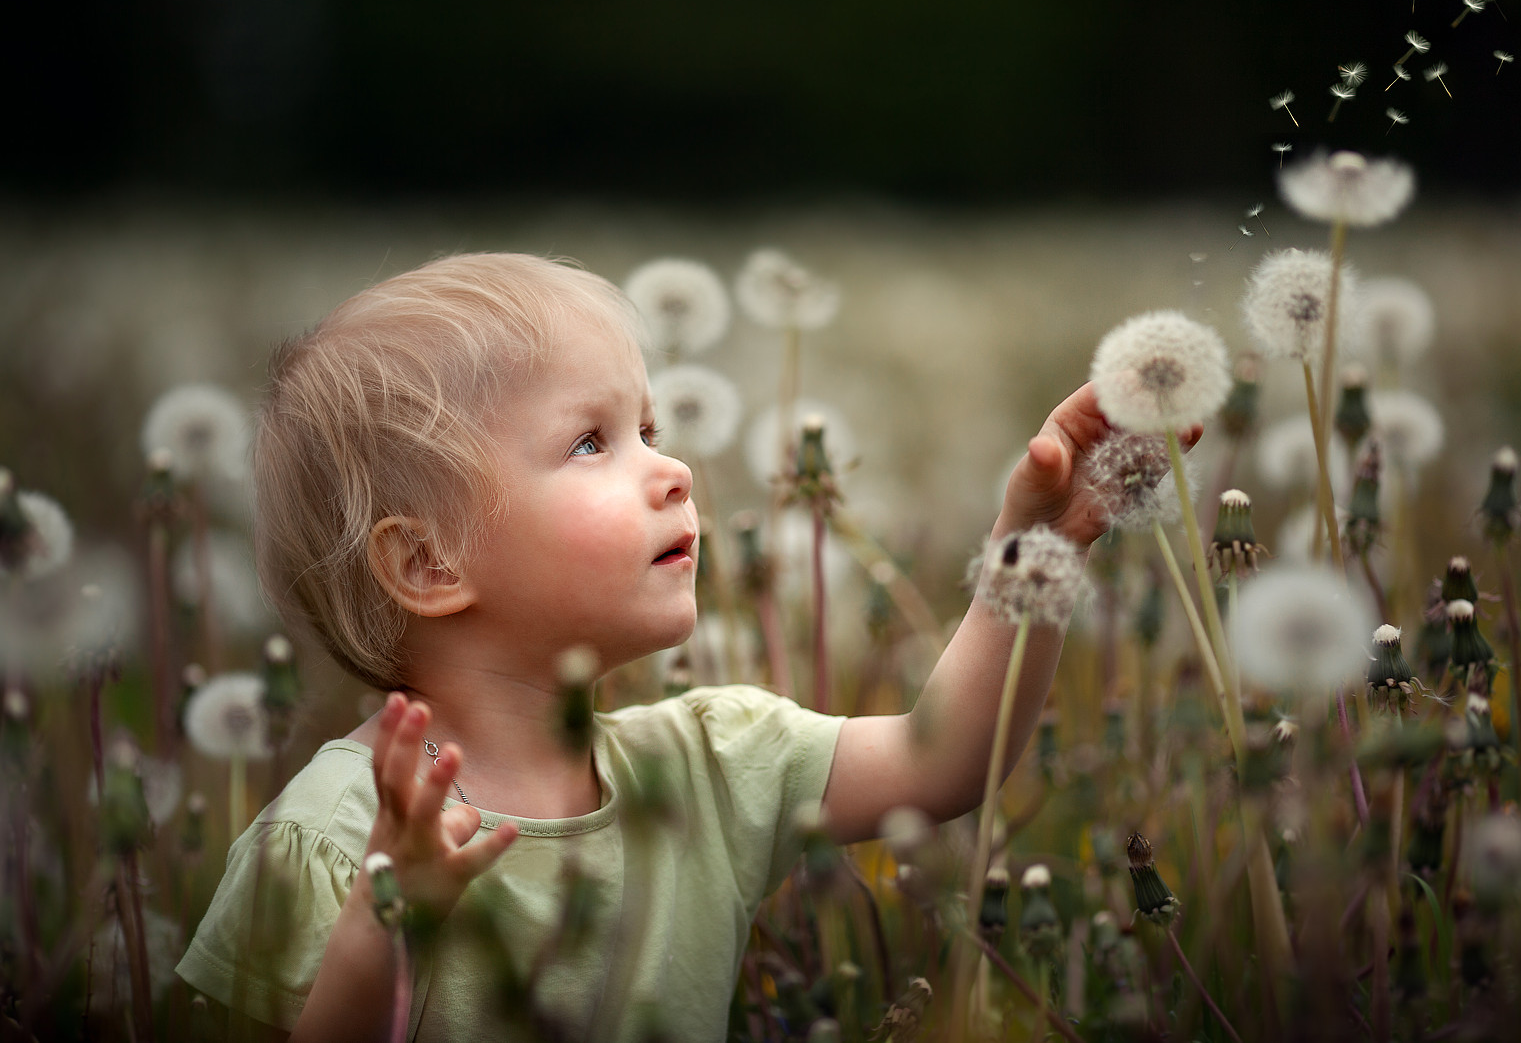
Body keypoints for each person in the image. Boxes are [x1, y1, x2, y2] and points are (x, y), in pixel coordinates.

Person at [175, 252, 1118, 1042]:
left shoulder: (716, 764)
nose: (673, 471)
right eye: (591, 443)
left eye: (650, 430)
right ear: (427, 562)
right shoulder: (331, 841)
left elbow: (942, 757)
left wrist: (1030, 555)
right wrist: (386, 925)